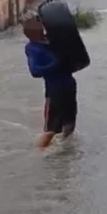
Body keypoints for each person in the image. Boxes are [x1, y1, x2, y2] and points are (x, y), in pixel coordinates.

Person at [22, 14, 77, 149]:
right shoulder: (33, 48)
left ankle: (63, 156)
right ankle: (39, 156)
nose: (44, 29)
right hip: (54, 91)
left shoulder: (52, 41)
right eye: (41, 27)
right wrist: (56, 64)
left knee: (69, 125)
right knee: (51, 130)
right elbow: (35, 71)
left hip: (69, 86)